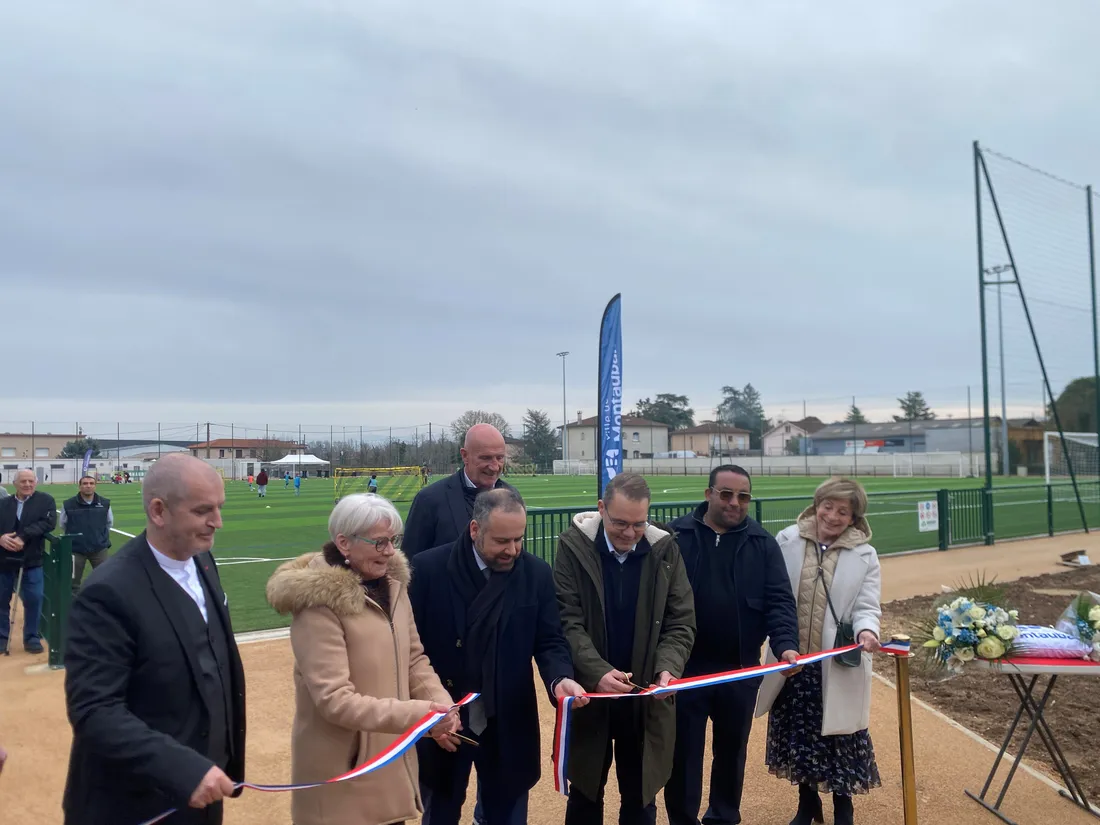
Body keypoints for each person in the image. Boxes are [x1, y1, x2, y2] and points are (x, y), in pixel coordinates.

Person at [62, 453, 246, 825]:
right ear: (159, 511)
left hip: (201, 794)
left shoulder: (204, 562)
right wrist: (182, 769)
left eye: (219, 508)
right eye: (202, 511)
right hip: (135, 805)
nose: (217, 522)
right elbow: (95, 710)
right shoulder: (108, 592)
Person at [265, 493, 460, 825]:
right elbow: (334, 700)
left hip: (388, 761)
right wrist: (419, 715)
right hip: (344, 772)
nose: (389, 551)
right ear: (344, 542)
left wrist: (441, 705)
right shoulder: (318, 605)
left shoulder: (393, 587)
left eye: (392, 541)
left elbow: (414, 659)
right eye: (379, 543)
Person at [409, 488, 587, 825]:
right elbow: (411, 650)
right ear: (475, 530)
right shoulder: (428, 569)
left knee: (507, 814)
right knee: (441, 812)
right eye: (502, 541)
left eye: (519, 539)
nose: (513, 550)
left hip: (508, 717)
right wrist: (428, 713)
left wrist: (559, 678)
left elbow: (550, 640)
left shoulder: (536, 574)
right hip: (446, 718)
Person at [553, 472, 696, 825]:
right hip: (591, 695)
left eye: (638, 524)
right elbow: (566, 621)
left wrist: (668, 669)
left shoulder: (666, 550)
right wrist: (597, 672)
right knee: (586, 794)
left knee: (641, 797)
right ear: (601, 509)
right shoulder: (572, 547)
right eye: (619, 523)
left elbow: (681, 621)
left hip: (644, 694)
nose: (630, 534)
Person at [664, 465, 800, 825]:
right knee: (683, 753)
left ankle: (723, 816)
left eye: (743, 496)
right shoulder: (674, 536)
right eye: (726, 494)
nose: (735, 502)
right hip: (685, 669)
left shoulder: (763, 544)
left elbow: (780, 602)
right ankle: (682, 818)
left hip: (740, 667)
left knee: (731, 751)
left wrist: (786, 644)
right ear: (708, 493)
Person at [755, 477, 883, 825]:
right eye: (828, 506)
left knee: (840, 735)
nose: (833, 515)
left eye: (843, 511)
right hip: (792, 659)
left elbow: (867, 606)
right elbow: (775, 594)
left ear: (854, 518)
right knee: (801, 735)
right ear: (817, 504)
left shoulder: (865, 554)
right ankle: (807, 804)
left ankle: (844, 807)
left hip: (836, 662)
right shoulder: (787, 540)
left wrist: (868, 630)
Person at [403, 424, 514, 558]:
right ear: (464, 456)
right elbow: (410, 562)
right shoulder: (429, 500)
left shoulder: (512, 496)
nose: (495, 467)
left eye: (500, 458)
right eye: (486, 458)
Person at [0, 469, 57, 654]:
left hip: (32, 559)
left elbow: (48, 523)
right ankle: (2, 638)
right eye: (23, 481)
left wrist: (23, 537)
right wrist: (1, 538)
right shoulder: (3, 503)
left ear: (36, 482)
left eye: (31, 481)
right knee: (1, 600)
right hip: (3, 560)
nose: (27, 485)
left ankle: (32, 637)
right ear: (15, 483)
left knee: (34, 598)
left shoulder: (45, 500)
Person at [61, 474, 114, 596]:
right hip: (75, 550)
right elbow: (63, 524)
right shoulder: (68, 504)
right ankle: (73, 609)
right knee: (73, 582)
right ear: (79, 486)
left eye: (91, 483)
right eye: (85, 484)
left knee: (104, 579)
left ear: (95, 486)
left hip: (99, 549)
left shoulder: (105, 503)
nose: (88, 486)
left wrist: (99, 537)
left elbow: (109, 523)